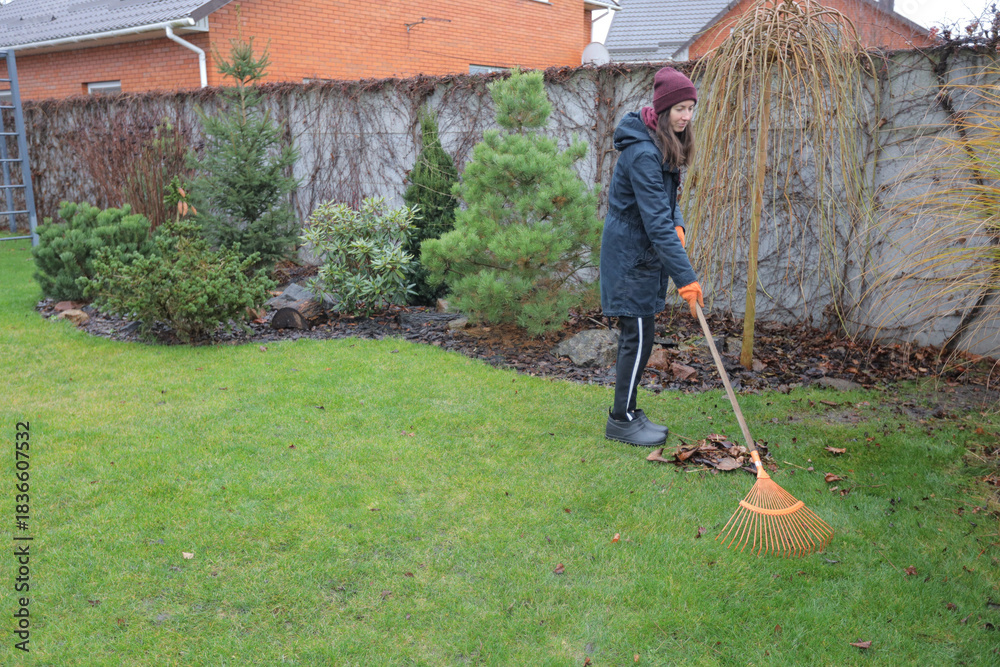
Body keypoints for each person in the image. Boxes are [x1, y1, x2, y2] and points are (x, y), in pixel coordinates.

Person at [600, 66, 704, 447]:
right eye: (679, 108)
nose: (686, 116)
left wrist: (677, 223)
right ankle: (621, 419)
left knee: (642, 337)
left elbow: (668, 204)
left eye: (691, 108)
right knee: (638, 338)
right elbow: (656, 222)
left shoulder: (660, 143)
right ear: (662, 110)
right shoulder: (644, 153)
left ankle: (627, 412)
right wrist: (687, 279)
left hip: (642, 255)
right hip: (631, 260)